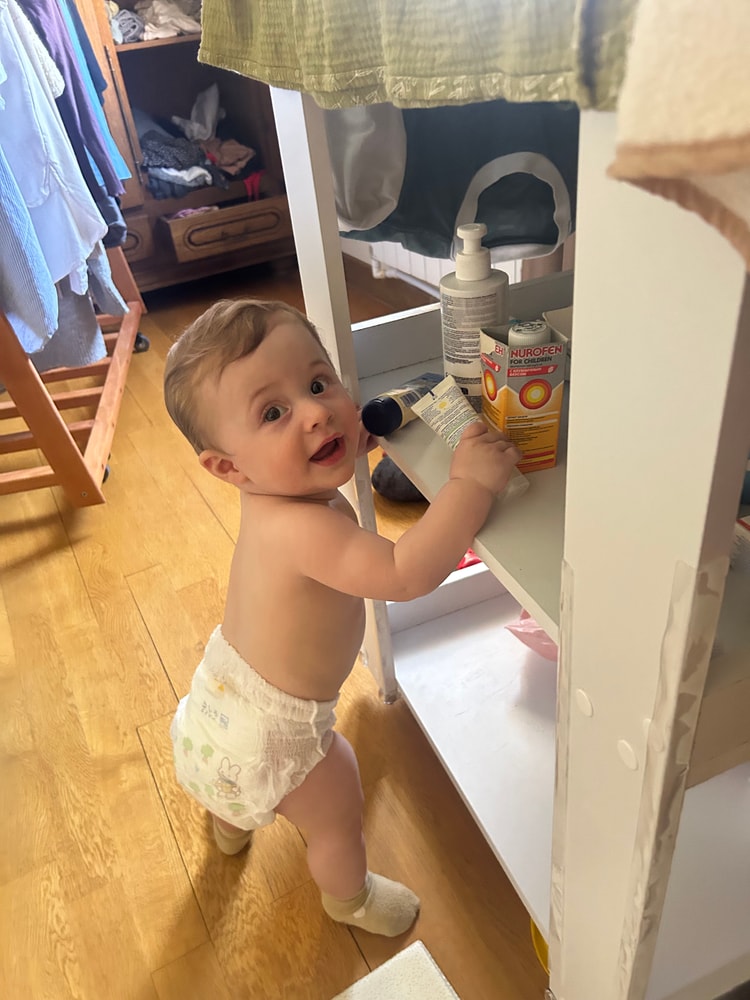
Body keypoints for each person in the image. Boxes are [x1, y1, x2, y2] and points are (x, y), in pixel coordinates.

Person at [163, 298, 521, 937]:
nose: (316, 413)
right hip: (273, 732)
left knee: (238, 784)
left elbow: (314, 443)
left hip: (220, 703)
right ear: (229, 468)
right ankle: (348, 899)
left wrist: (355, 434)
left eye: (318, 383)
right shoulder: (303, 530)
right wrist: (469, 485)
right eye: (273, 413)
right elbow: (404, 573)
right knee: (338, 801)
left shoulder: (271, 496)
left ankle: (230, 821)